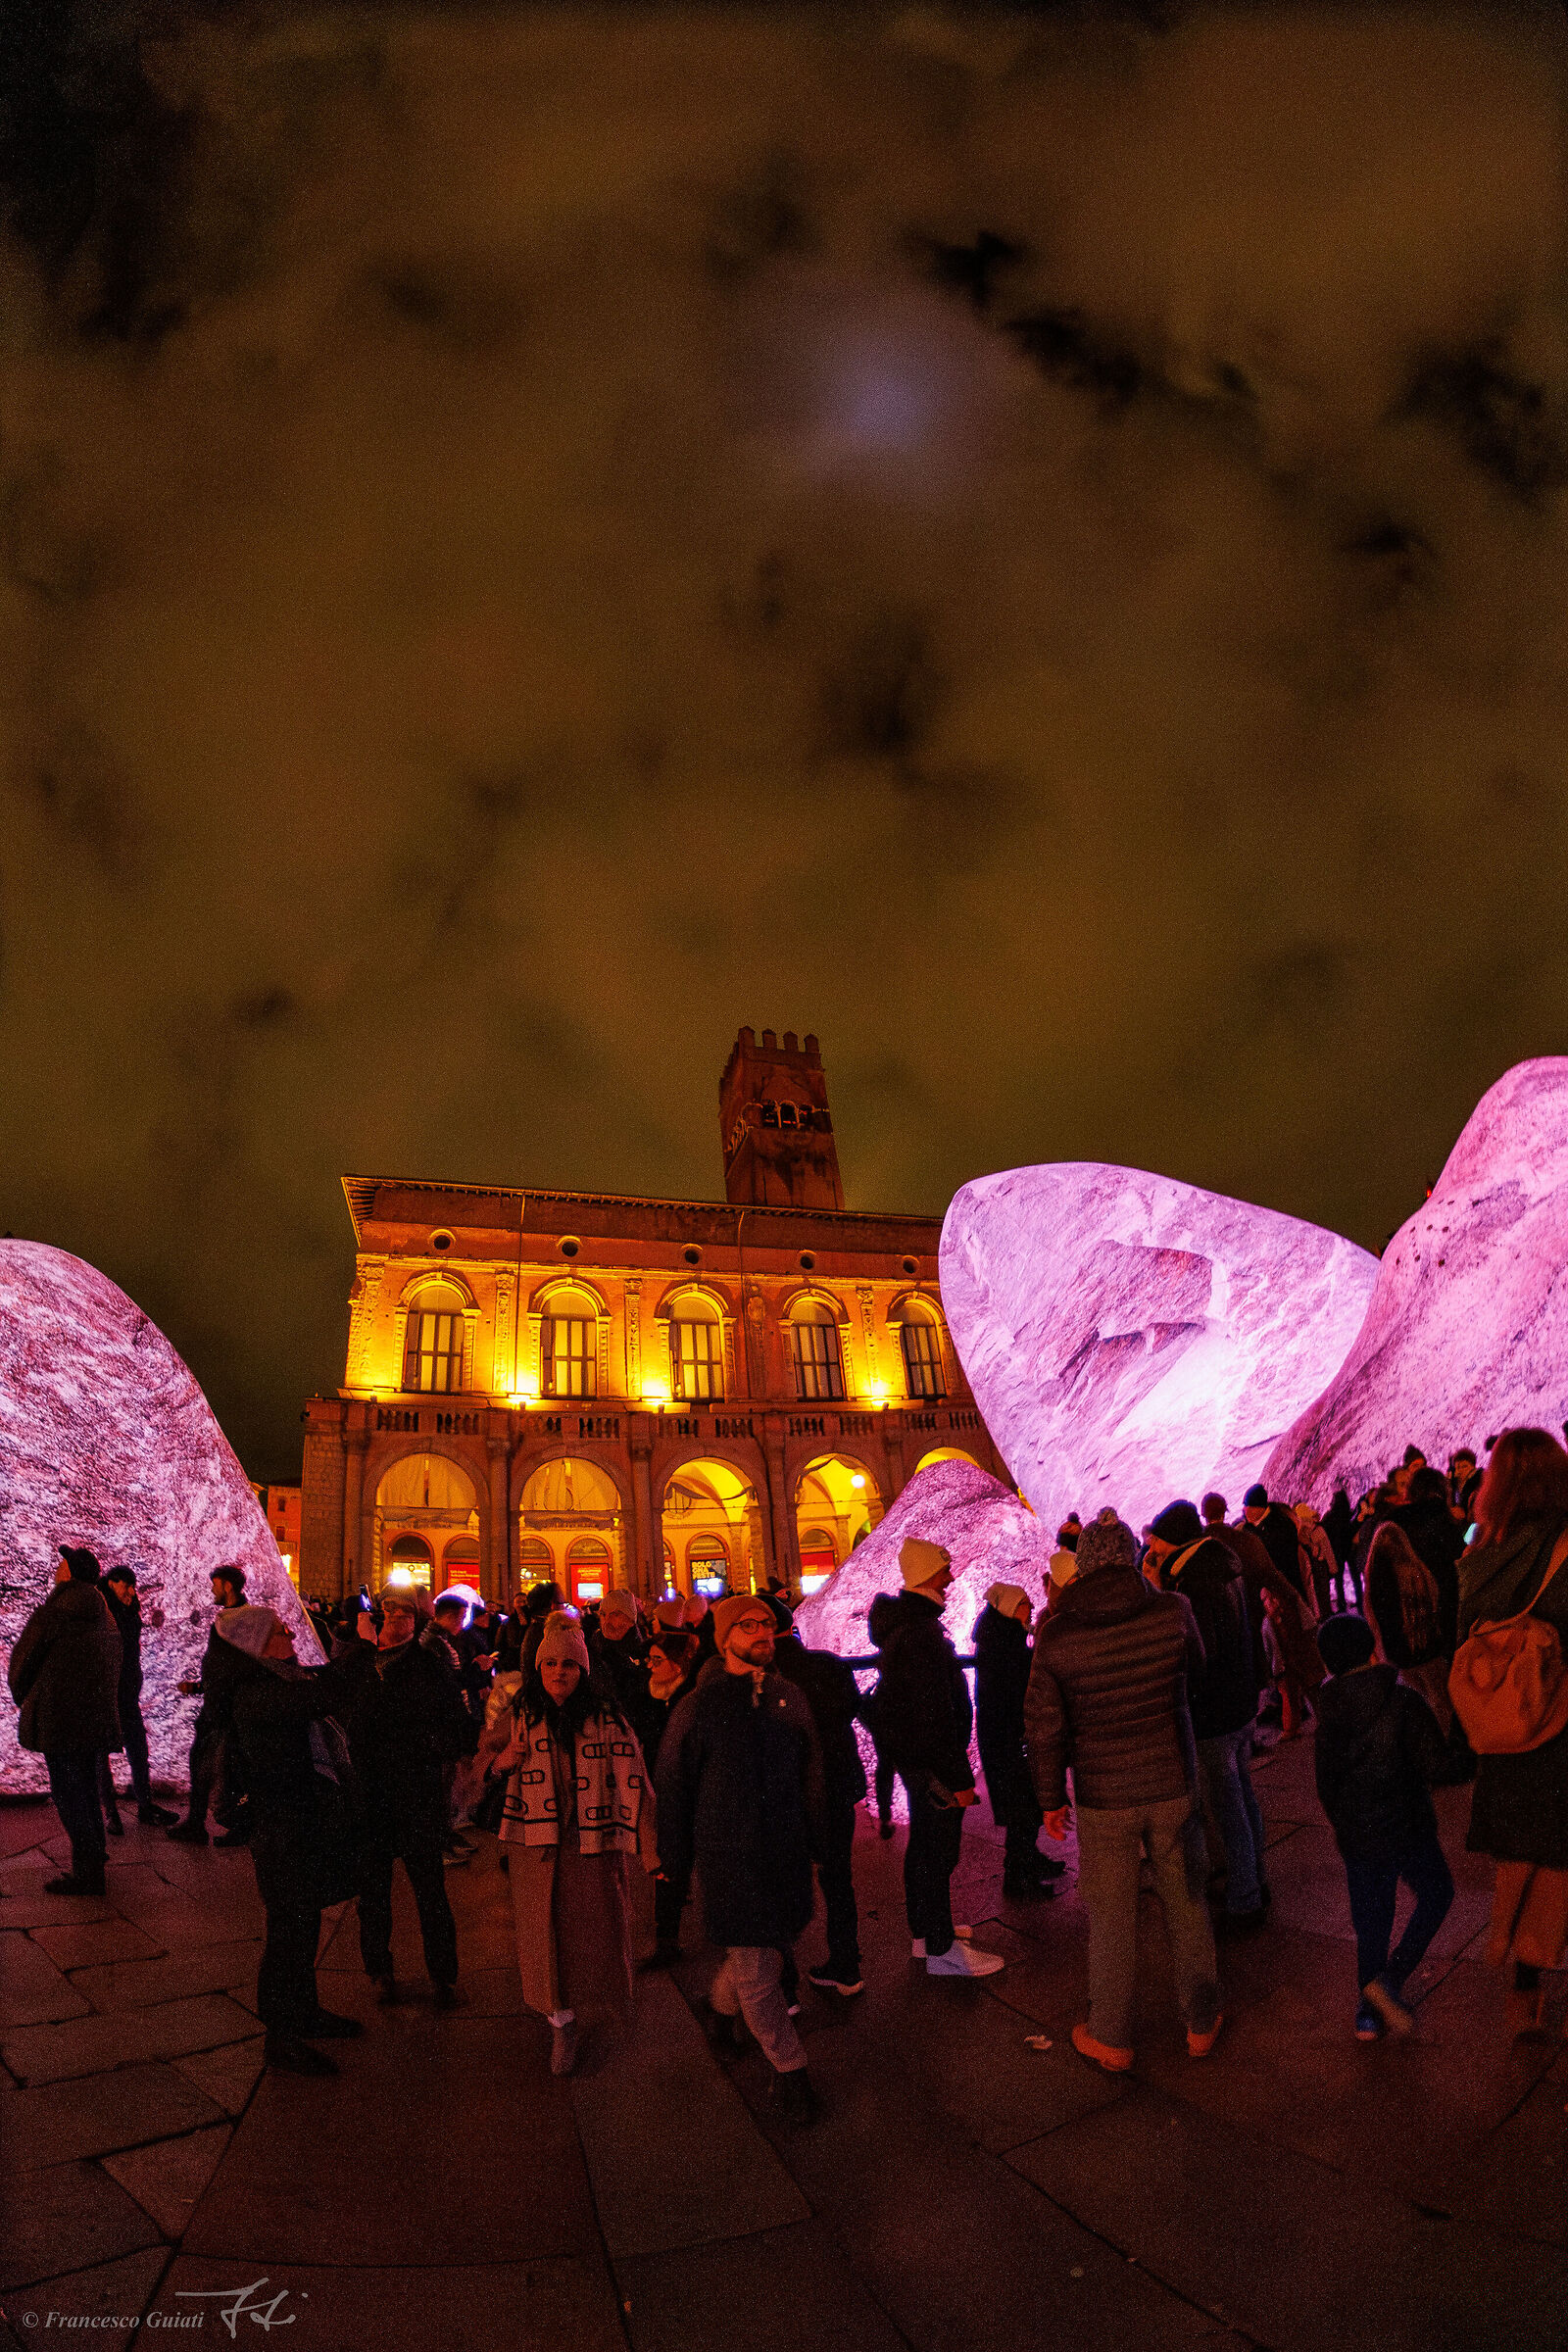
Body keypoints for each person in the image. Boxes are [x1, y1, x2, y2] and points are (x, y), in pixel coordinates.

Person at [1026, 1508, 1222, 2073]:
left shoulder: (1056, 1633)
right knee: (1187, 1904)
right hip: (1172, 1782)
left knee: (1110, 1915)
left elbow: (1043, 1726)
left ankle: (1111, 2034)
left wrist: (1049, 1799)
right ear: (1134, 1555)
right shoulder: (1173, 1610)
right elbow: (1201, 1674)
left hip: (1103, 1796)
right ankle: (1201, 2024)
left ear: (1083, 1566)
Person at [657, 1595, 826, 2121]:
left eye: (767, 1625)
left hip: (786, 1850)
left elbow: (811, 1771)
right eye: (747, 1625)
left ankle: (717, 2009)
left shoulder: (788, 1696)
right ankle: (789, 2069)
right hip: (729, 1854)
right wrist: (673, 1859)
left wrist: (817, 1837)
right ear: (724, 1636)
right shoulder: (699, 1706)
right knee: (757, 1965)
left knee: (769, 1949)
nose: (760, 1633)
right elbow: (673, 1783)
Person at [211, 1603, 378, 2076]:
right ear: (257, 1647)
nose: (290, 1634)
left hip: (301, 1823)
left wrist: (347, 1646)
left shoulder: (282, 1679)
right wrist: (364, 1646)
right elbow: (327, 1693)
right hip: (279, 1828)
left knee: (304, 1925)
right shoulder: (255, 1693)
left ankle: (306, 2012)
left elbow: (323, 1679)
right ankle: (279, 2036)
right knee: (287, 1931)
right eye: (280, 1632)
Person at [489, 1611, 658, 2077]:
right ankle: (560, 2022)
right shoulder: (520, 1713)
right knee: (542, 1939)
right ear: (537, 1668)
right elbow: (481, 1759)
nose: (558, 1673)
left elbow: (637, 1780)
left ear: (582, 1671)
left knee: (594, 1932)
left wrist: (650, 1849)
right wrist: (503, 1761)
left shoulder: (606, 1718)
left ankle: (594, 2009)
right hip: (535, 1848)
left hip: (593, 1846)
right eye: (550, 1665)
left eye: (568, 1665)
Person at [1455, 1427, 1568, 2037]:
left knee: (1522, 1858)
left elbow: (1463, 1644)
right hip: (1563, 1728)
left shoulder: (1480, 1555)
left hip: (1507, 1736)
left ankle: (1523, 1993)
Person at [1313, 1613, 1454, 2039]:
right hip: (1409, 1826)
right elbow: (1437, 1765)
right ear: (1370, 1647)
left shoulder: (1328, 1715)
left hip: (1359, 1835)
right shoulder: (1402, 1701)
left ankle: (1368, 2013)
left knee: (1371, 1923)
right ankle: (1390, 1980)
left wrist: (1347, 1823)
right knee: (1437, 1893)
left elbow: (1327, 1786)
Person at [874, 1539, 1004, 1979]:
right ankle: (941, 1948)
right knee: (937, 1852)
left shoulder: (911, 1627)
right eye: (943, 1570)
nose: (950, 1578)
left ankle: (925, 1932)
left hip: (917, 1761)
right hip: (932, 1765)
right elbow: (935, 1715)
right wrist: (958, 1775)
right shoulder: (921, 1633)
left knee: (924, 1851)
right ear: (925, 1574)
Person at [338, 1584, 471, 2007]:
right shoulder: (359, 1664)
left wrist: (436, 1752)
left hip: (416, 1793)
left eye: (407, 1616)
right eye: (391, 1614)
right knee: (373, 1892)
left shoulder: (428, 1666)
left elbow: (457, 1723)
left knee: (430, 1890)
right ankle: (379, 1969)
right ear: (376, 1619)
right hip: (369, 1795)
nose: (400, 1621)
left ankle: (444, 1976)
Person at [1145, 1502, 1267, 1935]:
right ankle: (1255, 1878)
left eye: (1156, 1537)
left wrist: (1159, 1591)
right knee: (1243, 1796)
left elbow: (1200, 1652)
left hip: (1214, 1712)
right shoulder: (1220, 1566)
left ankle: (1245, 1899)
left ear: (1172, 1539)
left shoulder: (1193, 1582)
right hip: (1240, 1703)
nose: (1150, 1545)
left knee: (1225, 1805)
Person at [8, 1546, 122, 1896]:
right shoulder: (106, 1615)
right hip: (94, 1719)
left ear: (70, 1573)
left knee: (68, 1793)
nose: (57, 1568)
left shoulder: (54, 1613)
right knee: (87, 1789)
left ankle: (87, 1873)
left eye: (63, 1564)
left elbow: (21, 1664)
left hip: (60, 1719)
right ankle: (94, 1857)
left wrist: (29, 1698)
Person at [772, 1607, 869, 1994]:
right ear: (792, 1627)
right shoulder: (828, 1665)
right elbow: (852, 1709)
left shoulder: (761, 1677)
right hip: (835, 1788)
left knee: (781, 1886)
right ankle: (846, 1964)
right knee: (838, 1880)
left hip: (787, 1795)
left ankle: (786, 1985)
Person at [972, 1583, 1062, 1901]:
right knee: (1022, 1809)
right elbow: (1015, 1693)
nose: (1029, 1605)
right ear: (1010, 1609)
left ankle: (1029, 1860)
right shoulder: (1005, 1646)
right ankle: (1018, 1876)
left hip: (1007, 1739)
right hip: (1011, 1743)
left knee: (1026, 1807)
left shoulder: (1004, 1638)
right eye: (1023, 1602)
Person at [169, 1564, 250, 1843]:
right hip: (220, 1704)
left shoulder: (236, 1621)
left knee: (228, 1768)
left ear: (227, 1586)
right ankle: (202, 1822)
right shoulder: (235, 1617)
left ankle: (233, 1826)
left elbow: (233, 1669)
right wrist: (200, 1686)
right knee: (215, 1765)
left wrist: (207, 1688)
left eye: (215, 1584)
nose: (212, 1589)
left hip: (223, 1709)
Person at [99, 1565, 179, 1830]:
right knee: (102, 1754)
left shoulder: (129, 1609)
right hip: (106, 1694)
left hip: (127, 1692)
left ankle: (145, 1806)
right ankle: (111, 1813)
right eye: (127, 1586)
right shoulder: (100, 1609)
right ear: (112, 1582)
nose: (132, 1592)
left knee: (138, 1749)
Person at [639, 1625, 702, 1965]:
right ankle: (667, 1938)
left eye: (657, 1659)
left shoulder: (692, 1697)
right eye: (649, 1659)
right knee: (667, 1863)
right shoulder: (645, 1692)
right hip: (659, 1788)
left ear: (678, 1663)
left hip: (694, 1789)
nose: (651, 1666)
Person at [1362, 1522, 1452, 1736]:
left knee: (1415, 1706)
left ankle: (1425, 1748)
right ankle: (1446, 1744)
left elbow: (1375, 1620)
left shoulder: (1374, 1581)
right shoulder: (1418, 1572)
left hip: (1398, 1656)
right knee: (1441, 1703)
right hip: (1428, 1649)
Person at [861, 1592, 901, 1838]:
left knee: (885, 1763)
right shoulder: (902, 1637)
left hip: (884, 1710)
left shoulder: (881, 1634)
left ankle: (886, 1815)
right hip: (897, 1709)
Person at [1295, 1504, 1339, 1621]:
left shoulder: (1301, 1533)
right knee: (1323, 1592)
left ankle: (1322, 1616)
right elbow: (1327, 1550)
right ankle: (1326, 1616)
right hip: (1319, 1565)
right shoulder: (1314, 1530)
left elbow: (1326, 1549)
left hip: (1313, 1566)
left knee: (1318, 1592)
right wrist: (1332, 1568)